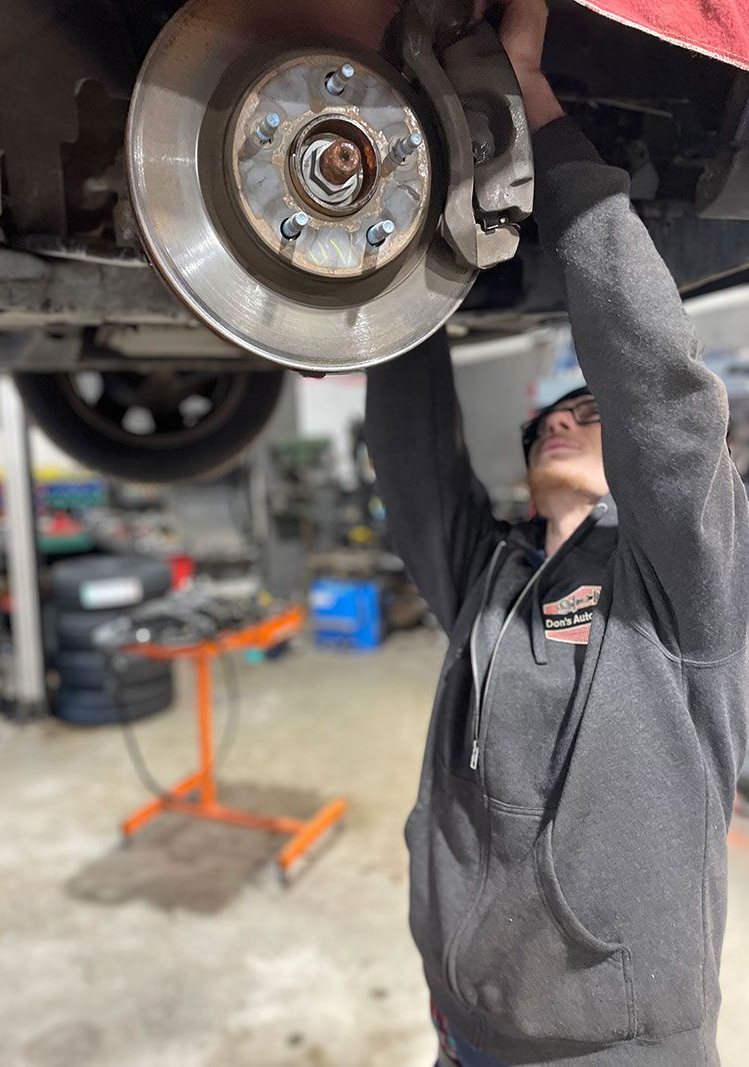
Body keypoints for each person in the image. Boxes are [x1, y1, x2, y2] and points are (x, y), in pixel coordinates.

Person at [364, 1, 749, 1063]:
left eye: (590, 410)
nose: (571, 415)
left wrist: (534, 104)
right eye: (553, 414)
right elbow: (405, 449)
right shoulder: (485, 581)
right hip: (463, 1026)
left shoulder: (685, 589)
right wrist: (390, 238)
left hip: (616, 1047)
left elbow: (660, 400)